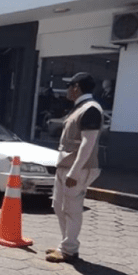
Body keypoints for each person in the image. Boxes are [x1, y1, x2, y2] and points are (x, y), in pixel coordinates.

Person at [47, 72, 103, 263]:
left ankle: (69, 250)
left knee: (71, 209)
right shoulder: (79, 108)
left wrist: (74, 171)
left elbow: (88, 144)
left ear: (77, 87)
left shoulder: (91, 109)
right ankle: (65, 244)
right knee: (58, 206)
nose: (67, 90)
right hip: (66, 165)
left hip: (78, 169)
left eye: (69, 86)